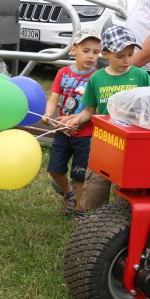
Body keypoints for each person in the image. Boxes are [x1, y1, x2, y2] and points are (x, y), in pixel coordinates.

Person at [64, 25, 150, 221]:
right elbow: (89, 110)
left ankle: (121, 223)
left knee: (124, 187)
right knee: (96, 185)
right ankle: (93, 222)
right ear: (105, 54)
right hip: (103, 142)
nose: (127, 60)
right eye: (120, 55)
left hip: (130, 144)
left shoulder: (140, 76)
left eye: (130, 55)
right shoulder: (97, 78)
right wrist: (76, 120)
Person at [42, 29, 101, 216]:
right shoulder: (63, 73)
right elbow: (54, 98)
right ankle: (69, 194)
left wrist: (76, 120)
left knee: (80, 175)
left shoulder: (98, 77)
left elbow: (95, 110)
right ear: (74, 49)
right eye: (86, 50)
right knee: (54, 169)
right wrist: (48, 114)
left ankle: (79, 211)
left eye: (96, 52)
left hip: (85, 136)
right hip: (63, 133)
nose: (91, 55)